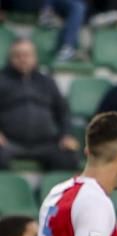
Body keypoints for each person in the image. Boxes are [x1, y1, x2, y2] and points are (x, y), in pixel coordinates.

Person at [0, 37, 80, 171]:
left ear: (35, 57)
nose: (22, 59)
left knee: (69, 158)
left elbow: (63, 113)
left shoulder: (47, 82)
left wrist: (65, 135)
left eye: (27, 55)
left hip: (46, 143)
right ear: (10, 58)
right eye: (18, 55)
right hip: (9, 142)